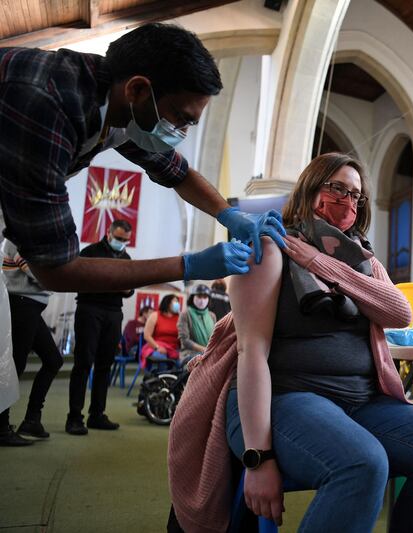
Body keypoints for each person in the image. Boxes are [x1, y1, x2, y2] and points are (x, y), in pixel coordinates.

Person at [168, 153, 413, 533]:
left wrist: (319, 262)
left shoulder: (361, 258)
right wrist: (259, 458)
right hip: (285, 397)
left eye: (356, 196)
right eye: (337, 189)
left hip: (360, 401)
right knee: (363, 463)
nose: (348, 202)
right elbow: (251, 355)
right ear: (312, 188)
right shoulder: (271, 247)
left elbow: (399, 312)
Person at [0, 23, 286, 414]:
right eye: (181, 118)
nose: (182, 131)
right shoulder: (46, 102)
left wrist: (230, 214)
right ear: (137, 89)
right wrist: (188, 265)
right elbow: (56, 270)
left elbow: (178, 173)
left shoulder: (122, 109)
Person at [66, 220, 135, 435]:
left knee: (105, 365)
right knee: (83, 363)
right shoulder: (90, 252)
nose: (121, 242)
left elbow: (131, 288)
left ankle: (97, 414)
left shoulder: (126, 258)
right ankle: (75, 417)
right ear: (109, 233)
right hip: (90, 308)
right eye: (119, 238)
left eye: (125, 240)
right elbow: (75, 279)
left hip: (114, 312)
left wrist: (126, 289)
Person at [0, 240, 64, 446]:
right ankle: (1, 428)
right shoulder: (16, 240)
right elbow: (39, 275)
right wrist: (60, 278)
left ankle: (31, 420)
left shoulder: (30, 240)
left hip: (31, 306)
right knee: (14, 365)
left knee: (53, 360)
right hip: (21, 303)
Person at [177, 284, 216, 363]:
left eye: (205, 297)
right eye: (199, 296)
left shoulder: (212, 316)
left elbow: (215, 337)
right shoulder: (185, 314)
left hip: (208, 353)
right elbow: (185, 340)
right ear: (192, 297)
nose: (202, 300)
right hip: (189, 354)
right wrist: (204, 350)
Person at [141, 294, 182, 365]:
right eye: (175, 302)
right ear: (167, 303)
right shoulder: (155, 315)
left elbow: (183, 337)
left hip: (174, 349)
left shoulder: (180, 318)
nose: (177, 304)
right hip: (156, 346)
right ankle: (161, 376)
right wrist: (157, 347)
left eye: (177, 302)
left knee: (183, 363)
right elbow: (146, 336)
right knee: (161, 358)